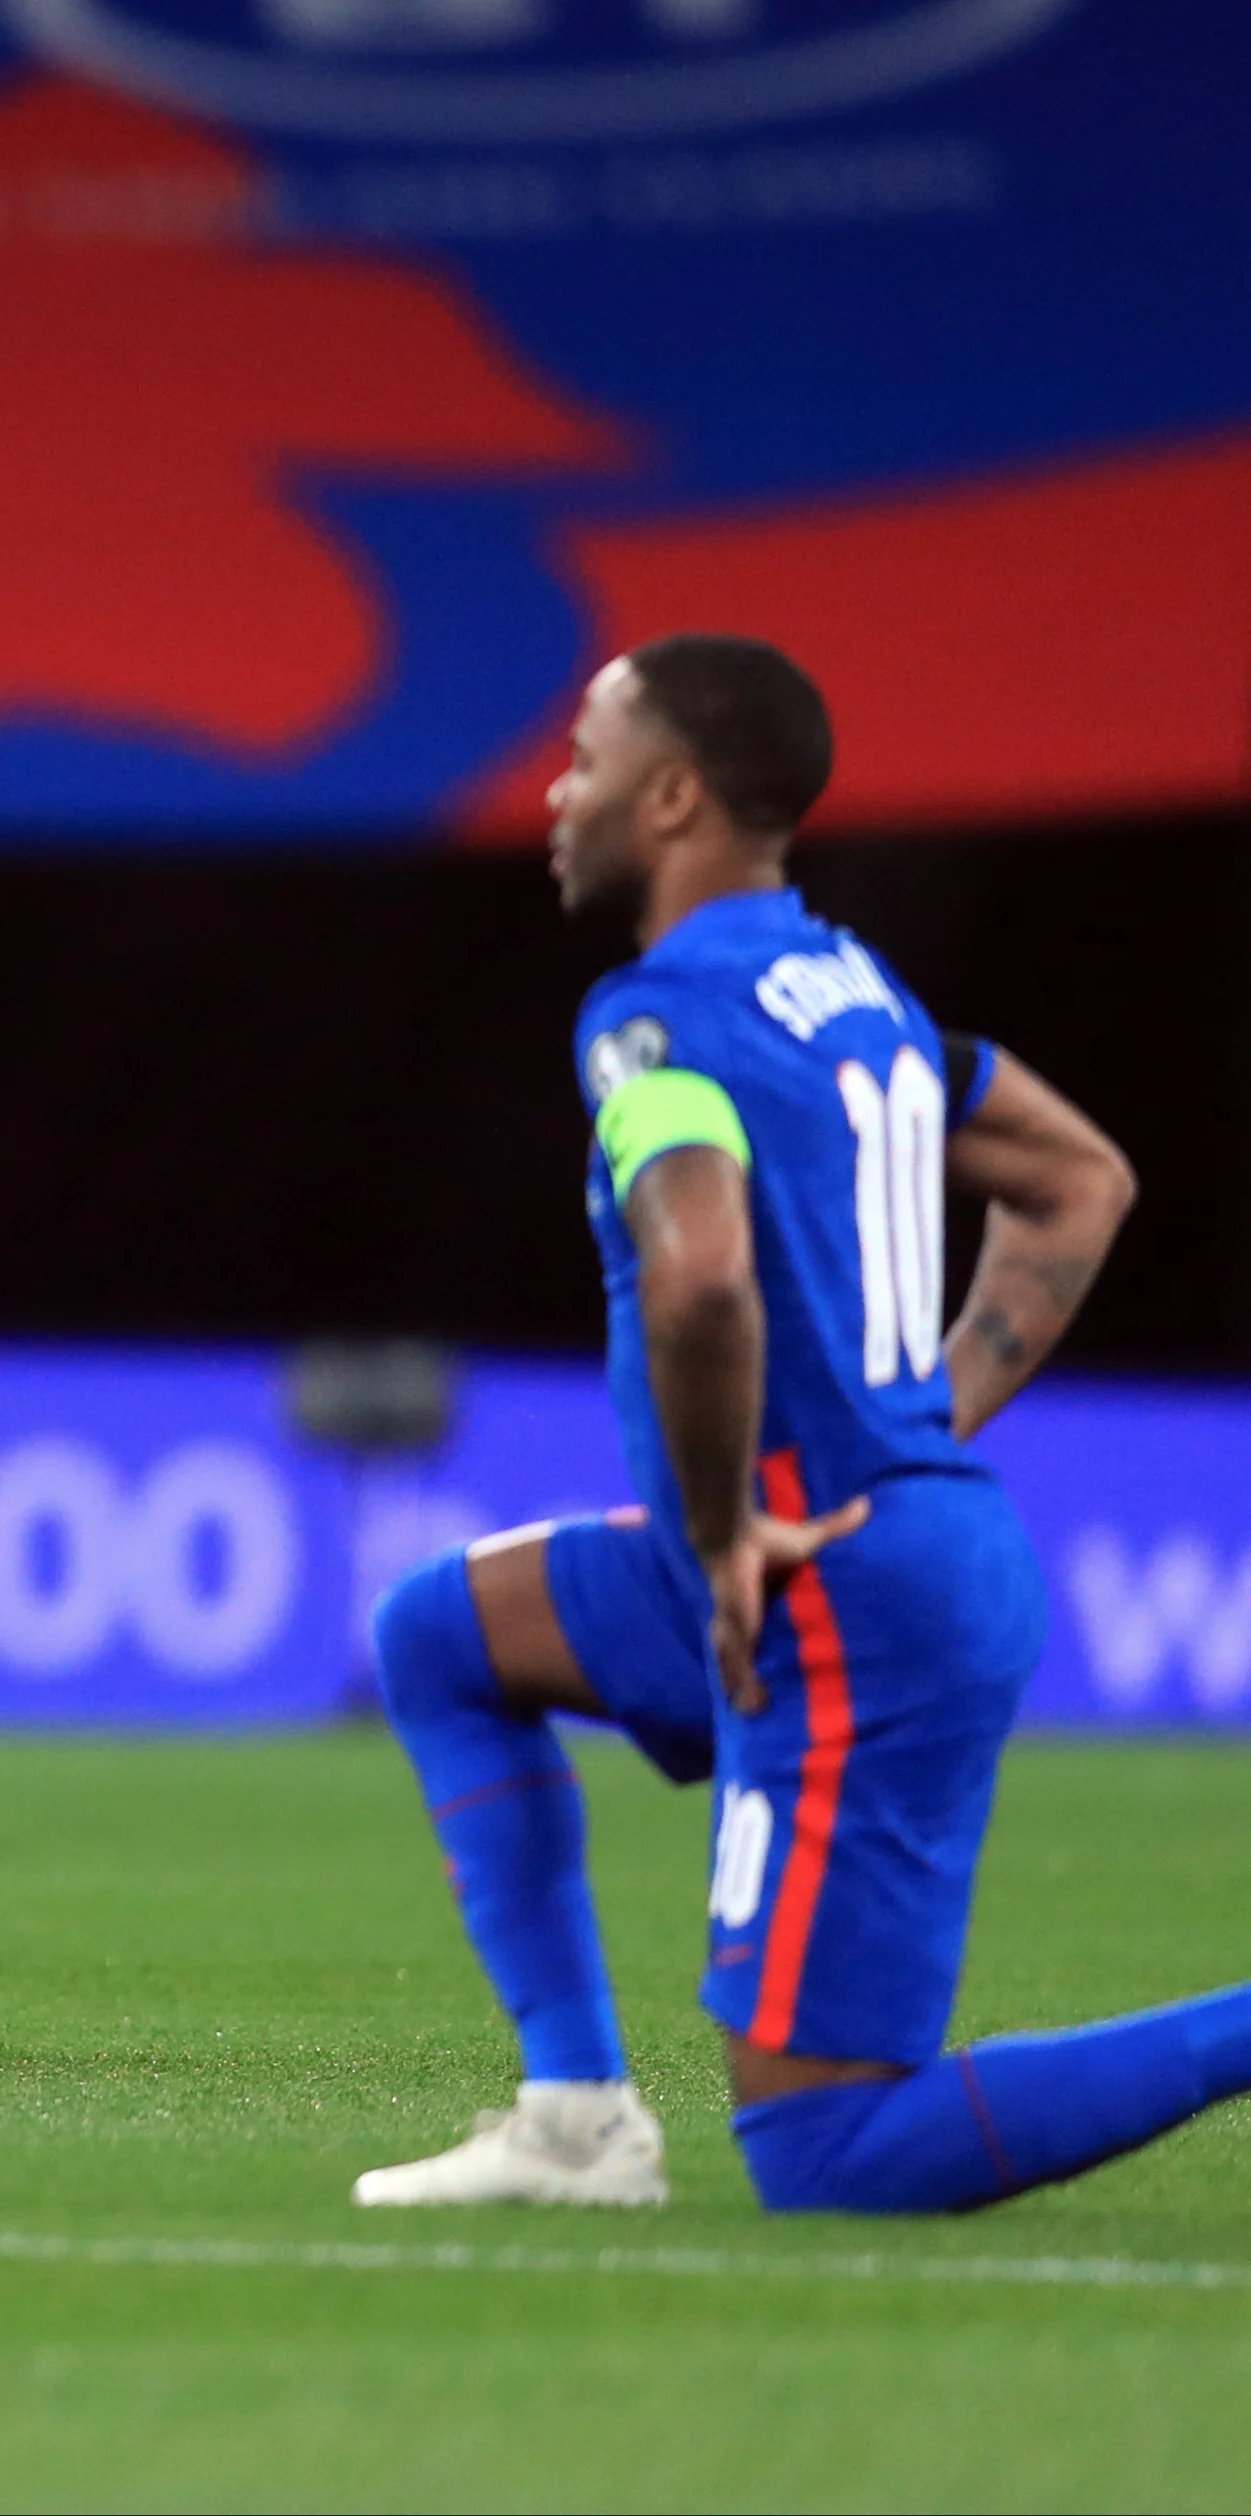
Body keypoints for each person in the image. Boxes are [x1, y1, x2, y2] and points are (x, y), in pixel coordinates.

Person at [355, 635, 1251, 2212]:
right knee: (439, 1632)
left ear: (676, 793)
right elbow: (1077, 1176)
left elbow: (697, 1277)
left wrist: (718, 1535)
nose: (555, 794)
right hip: (849, 1535)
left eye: (585, 755)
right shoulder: (852, 991)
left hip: (814, 1578)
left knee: (825, 2154)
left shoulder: (651, 1023)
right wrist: (919, 1416)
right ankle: (573, 2120)